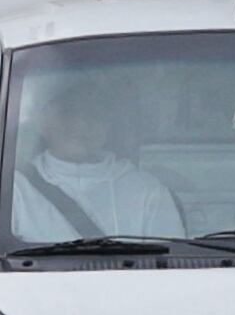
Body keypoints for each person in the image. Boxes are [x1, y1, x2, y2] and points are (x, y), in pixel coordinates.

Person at [13, 74, 184, 243]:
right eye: (67, 112)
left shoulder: (148, 192)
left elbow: (172, 263)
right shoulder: (14, 189)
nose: (81, 124)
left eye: (92, 113)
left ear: (108, 125)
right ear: (43, 122)